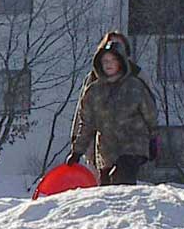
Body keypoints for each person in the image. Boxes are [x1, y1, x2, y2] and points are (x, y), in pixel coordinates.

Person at [67, 39, 157, 185]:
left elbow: (150, 115)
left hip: (133, 145)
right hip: (106, 150)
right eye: (105, 60)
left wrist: (153, 140)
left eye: (113, 60)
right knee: (107, 190)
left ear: (121, 62)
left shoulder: (134, 86)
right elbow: (87, 124)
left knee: (122, 177)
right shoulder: (94, 91)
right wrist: (77, 152)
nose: (108, 64)